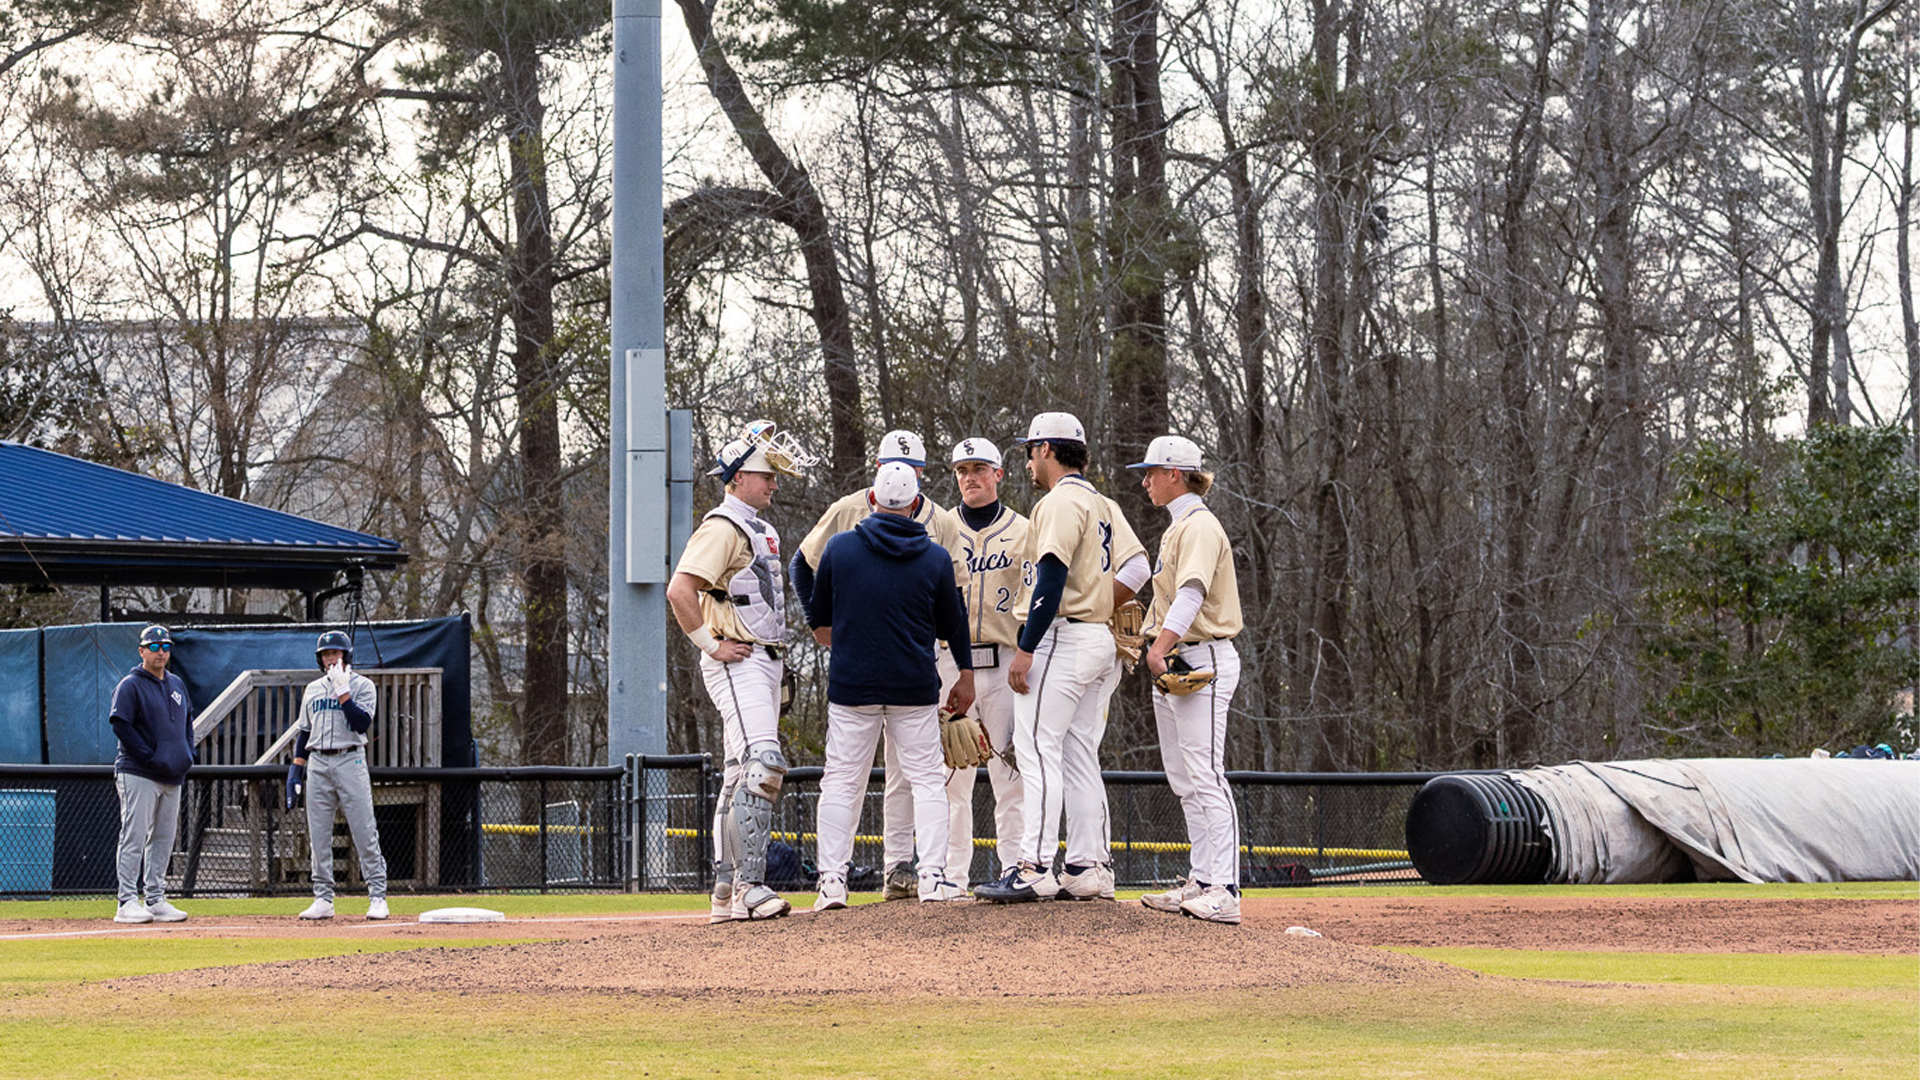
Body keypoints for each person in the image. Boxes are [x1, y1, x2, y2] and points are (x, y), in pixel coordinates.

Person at [790, 429, 970, 899]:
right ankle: (932, 877)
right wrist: (966, 674)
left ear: (871, 499)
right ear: (916, 504)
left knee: (841, 784)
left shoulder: (840, 548)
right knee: (928, 781)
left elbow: (822, 608)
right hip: (913, 684)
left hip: (853, 684)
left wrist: (822, 626)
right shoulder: (934, 557)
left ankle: (832, 882)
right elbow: (955, 621)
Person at [975, 412, 1137, 904]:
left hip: (1062, 638)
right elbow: (1139, 565)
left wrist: (1025, 649)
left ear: (1047, 449)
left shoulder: (1061, 501)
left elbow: (1049, 579)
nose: (1027, 459)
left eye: (1031, 449)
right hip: (1095, 640)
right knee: (1076, 752)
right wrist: (1098, 603)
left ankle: (1033, 867)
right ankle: (1089, 865)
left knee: (1037, 748)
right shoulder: (1102, 503)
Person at [667, 419, 816, 923]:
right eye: (763, 474)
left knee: (737, 776)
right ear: (735, 479)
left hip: (763, 660)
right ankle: (752, 886)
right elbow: (679, 590)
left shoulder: (759, 527)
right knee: (765, 762)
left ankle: (726, 892)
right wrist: (710, 644)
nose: (773, 482)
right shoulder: (722, 525)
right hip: (739, 659)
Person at [1128, 435, 1245, 924]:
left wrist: (1157, 646)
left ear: (1175, 474)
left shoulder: (1198, 525)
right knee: (1183, 778)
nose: (1146, 480)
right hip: (1178, 659)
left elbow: (1192, 594)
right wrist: (1148, 637)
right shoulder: (1178, 527)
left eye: (1152, 472)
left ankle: (1227, 889)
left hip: (1203, 658)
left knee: (1206, 774)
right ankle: (1201, 879)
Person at [935, 437, 1031, 887]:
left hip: (1004, 662)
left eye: (979, 468)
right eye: (961, 469)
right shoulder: (939, 528)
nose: (969, 477)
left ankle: (1014, 866)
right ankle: (951, 875)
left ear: (999, 474)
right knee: (951, 776)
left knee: (1008, 772)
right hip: (949, 665)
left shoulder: (1024, 530)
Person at [286, 629, 388, 921]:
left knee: (364, 829)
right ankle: (322, 897)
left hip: (350, 758)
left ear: (346, 655)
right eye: (326, 654)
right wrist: (295, 770)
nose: (331, 658)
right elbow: (304, 732)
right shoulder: (314, 689)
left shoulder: (363, 686)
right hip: (318, 761)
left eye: (336, 653)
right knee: (318, 834)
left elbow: (361, 724)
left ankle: (377, 894)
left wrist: (344, 694)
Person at [108, 625, 195, 923]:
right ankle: (127, 900)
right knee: (134, 834)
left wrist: (187, 754)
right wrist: (149, 756)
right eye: (154, 647)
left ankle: (155, 898)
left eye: (165, 646)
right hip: (138, 772)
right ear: (142, 651)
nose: (161, 652)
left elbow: (187, 723)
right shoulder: (130, 685)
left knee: (163, 837)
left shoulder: (177, 684)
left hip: (173, 774)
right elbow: (121, 725)